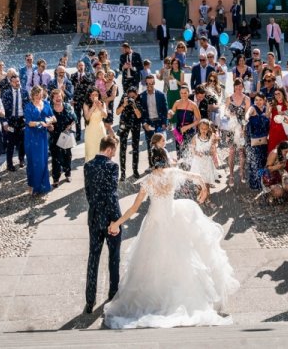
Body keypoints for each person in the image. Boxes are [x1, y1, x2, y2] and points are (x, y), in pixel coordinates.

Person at [104, 147, 238, 329]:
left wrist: (116, 223)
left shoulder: (149, 181)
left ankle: (156, 300)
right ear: (165, 159)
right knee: (181, 260)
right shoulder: (173, 173)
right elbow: (197, 176)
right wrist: (203, 190)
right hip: (173, 220)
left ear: (152, 161)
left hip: (154, 224)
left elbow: (134, 209)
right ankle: (181, 298)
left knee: (151, 265)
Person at [84, 134, 122, 314]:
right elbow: (112, 194)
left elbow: (88, 193)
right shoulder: (112, 166)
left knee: (93, 258)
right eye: (114, 151)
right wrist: (115, 220)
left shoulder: (88, 166)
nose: (114, 154)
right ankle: (113, 294)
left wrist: (96, 210)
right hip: (110, 218)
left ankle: (89, 301)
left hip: (94, 217)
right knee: (113, 257)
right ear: (109, 149)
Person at [24, 86, 53, 197]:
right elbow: (29, 122)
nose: (39, 97)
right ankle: (33, 186)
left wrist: (49, 122)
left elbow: (52, 117)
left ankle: (43, 186)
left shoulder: (46, 104)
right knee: (33, 161)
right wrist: (41, 123)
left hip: (42, 136)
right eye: (36, 95)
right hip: (31, 136)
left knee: (43, 161)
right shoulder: (28, 107)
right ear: (32, 95)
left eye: (40, 94)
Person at [223, 78, 251, 186]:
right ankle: (231, 175)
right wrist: (229, 114)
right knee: (231, 151)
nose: (239, 88)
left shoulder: (247, 99)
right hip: (231, 128)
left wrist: (243, 128)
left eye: (240, 86)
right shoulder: (229, 98)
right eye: (237, 86)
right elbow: (225, 113)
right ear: (234, 86)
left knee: (241, 152)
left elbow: (247, 115)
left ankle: (242, 172)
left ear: (243, 87)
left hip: (242, 129)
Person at [49, 88, 77, 186]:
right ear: (52, 98)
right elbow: (46, 121)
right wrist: (49, 127)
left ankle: (68, 174)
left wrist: (70, 125)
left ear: (62, 97)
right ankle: (56, 178)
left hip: (66, 135)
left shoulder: (67, 106)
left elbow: (75, 118)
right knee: (56, 158)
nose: (58, 98)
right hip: (54, 136)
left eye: (59, 96)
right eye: (55, 97)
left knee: (67, 156)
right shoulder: (49, 109)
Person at [138, 75, 168, 167]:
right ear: (145, 83)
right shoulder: (142, 96)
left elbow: (165, 110)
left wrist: (164, 123)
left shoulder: (161, 95)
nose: (150, 85)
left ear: (154, 83)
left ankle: (164, 164)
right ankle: (152, 165)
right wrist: (144, 123)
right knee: (150, 145)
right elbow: (141, 112)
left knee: (161, 144)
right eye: (147, 83)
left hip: (159, 123)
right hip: (149, 123)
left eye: (152, 83)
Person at [2, 73, 29, 171]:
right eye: (15, 82)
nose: (17, 83)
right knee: (11, 143)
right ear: (11, 83)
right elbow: (3, 109)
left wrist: (28, 119)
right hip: (11, 121)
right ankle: (9, 164)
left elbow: (28, 107)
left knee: (22, 141)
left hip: (22, 120)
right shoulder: (6, 93)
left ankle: (21, 159)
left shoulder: (25, 92)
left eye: (18, 81)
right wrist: (4, 122)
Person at [168, 85, 200, 161]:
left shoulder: (193, 105)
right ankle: (180, 170)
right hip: (179, 131)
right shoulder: (177, 103)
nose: (183, 95)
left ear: (188, 93)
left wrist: (187, 127)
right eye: (182, 93)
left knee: (188, 153)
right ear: (179, 94)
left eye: (185, 93)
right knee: (179, 152)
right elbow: (172, 113)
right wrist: (170, 113)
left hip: (190, 132)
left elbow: (198, 119)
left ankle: (188, 170)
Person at [116, 87, 142, 180]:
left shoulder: (140, 98)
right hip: (124, 123)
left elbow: (139, 115)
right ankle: (123, 172)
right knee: (122, 148)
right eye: (130, 96)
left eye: (133, 97)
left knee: (135, 148)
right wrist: (124, 104)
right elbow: (117, 112)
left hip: (135, 124)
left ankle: (135, 170)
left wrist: (134, 105)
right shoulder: (124, 97)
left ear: (137, 94)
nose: (131, 98)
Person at [189, 119, 218, 201]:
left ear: (208, 128)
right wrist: (197, 153)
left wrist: (211, 151)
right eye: (202, 128)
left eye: (205, 129)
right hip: (198, 163)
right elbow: (192, 150)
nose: (204, 130)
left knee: (207, 183)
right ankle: (200, 199)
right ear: (199, 128)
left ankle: (207, 198)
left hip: (207, 163)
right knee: (199, 183)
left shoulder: (211, 137)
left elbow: (213, 151)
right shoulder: (196, 138)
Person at [246, 93, 270, 190]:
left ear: (264, 100)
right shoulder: (253, 108)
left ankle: (263, 181)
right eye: (256, 100)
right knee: (255, 161)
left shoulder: (266, 109)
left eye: (260, 100)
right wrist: (246, 118)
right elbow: (247, 114)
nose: (258, 102)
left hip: (264, 140)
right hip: (253, 140)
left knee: (264, 161)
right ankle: (255, 184)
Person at [71, 60, 94, 141]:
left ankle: (87, 134)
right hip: (77, 100)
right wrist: (72, 99)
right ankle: (78, 135)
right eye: (79, 65)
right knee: (77, 118)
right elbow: (72, 88)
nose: (81, 67)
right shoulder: (73, 75)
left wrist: (84, 77)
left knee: (86, 117)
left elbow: (91, 82)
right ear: (77, 66)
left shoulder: (88, 75)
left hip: (85, 100)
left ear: (84, 66)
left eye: (82, 65)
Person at [84, 88, 107, 162]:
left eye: (96, 94)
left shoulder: (102, 103)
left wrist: (100, 107)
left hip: (100, 129)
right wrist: (93, 107)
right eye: (92, 94)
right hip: (90, 130)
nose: (94, 96)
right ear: (89, 96)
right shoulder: (86, 104)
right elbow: (87, 117)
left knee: (102, 150)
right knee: (91, 151)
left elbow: (105, 115)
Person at [267, 86, 288, 153]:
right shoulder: (273, 105)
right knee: (272, 152)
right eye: (275, 94)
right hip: (273, 132)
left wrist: (284, 113)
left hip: (284, 131)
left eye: (279, 93)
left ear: (283, 94)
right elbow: (267, 115)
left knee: (284, 152)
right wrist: (268, 107)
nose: (277, 95)